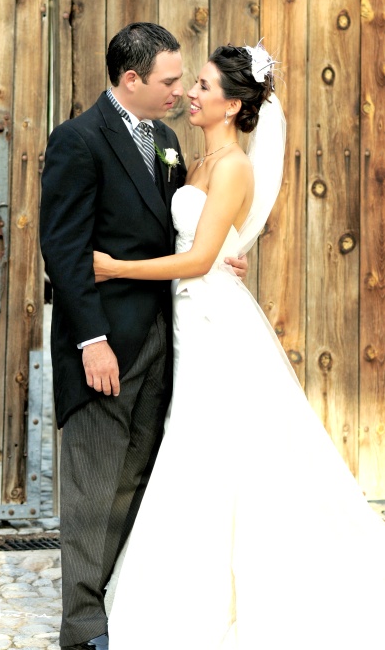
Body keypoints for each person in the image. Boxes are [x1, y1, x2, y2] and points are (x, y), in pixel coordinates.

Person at [93, 43, 385, 650]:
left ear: (232, 104)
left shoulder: (233, 167)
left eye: (201, 86)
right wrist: (227, 252)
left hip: (213, 325)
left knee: (208, 444)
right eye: (190, 84)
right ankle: (193, 588)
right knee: (198, 442)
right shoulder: (194, 159)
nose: (189, 95)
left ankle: (231, 598)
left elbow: (198, 259)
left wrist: (115, 268)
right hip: (187, 318)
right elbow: (208, 241)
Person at [39, 23, 247, 650]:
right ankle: (80, 630)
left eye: (185, 80)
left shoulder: (164, 140)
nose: (179, 91)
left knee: (133, 482)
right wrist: (90, 341)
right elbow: (66, 250)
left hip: (165, 339)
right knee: (91, 488)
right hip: (105, 344)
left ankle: (118, 605)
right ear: (131, 80)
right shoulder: (78, 140)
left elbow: (177, 230)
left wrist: (218, 253)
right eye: (169, 81)